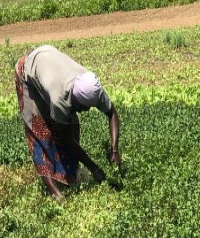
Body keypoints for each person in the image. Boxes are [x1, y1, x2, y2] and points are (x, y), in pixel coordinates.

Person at [14, 45, 121, 199]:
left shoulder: (91, 85)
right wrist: (95, 168)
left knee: (72, 125)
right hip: (28, 73)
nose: (87, 111)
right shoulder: (60, 98)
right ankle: (56, 194)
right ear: (74, 99)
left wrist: (114, 150)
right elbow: (66, 139)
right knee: (40, 133)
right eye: (83, 107)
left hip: (48, 63)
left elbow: (112, 113)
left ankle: (69, 179)